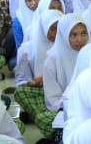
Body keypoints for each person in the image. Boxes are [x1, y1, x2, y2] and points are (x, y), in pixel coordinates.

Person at [13, 8, 63, 137]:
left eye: (59, 28)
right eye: (53, 29)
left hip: (63, 93)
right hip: (39, 92)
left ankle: (52, 124)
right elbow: (20, 81)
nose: (56, 33)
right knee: (21, 92)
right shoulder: (27, 49)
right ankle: (50, 119)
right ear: (43, 28)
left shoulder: (68, 46)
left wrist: (49, 79)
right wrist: (33, 83)